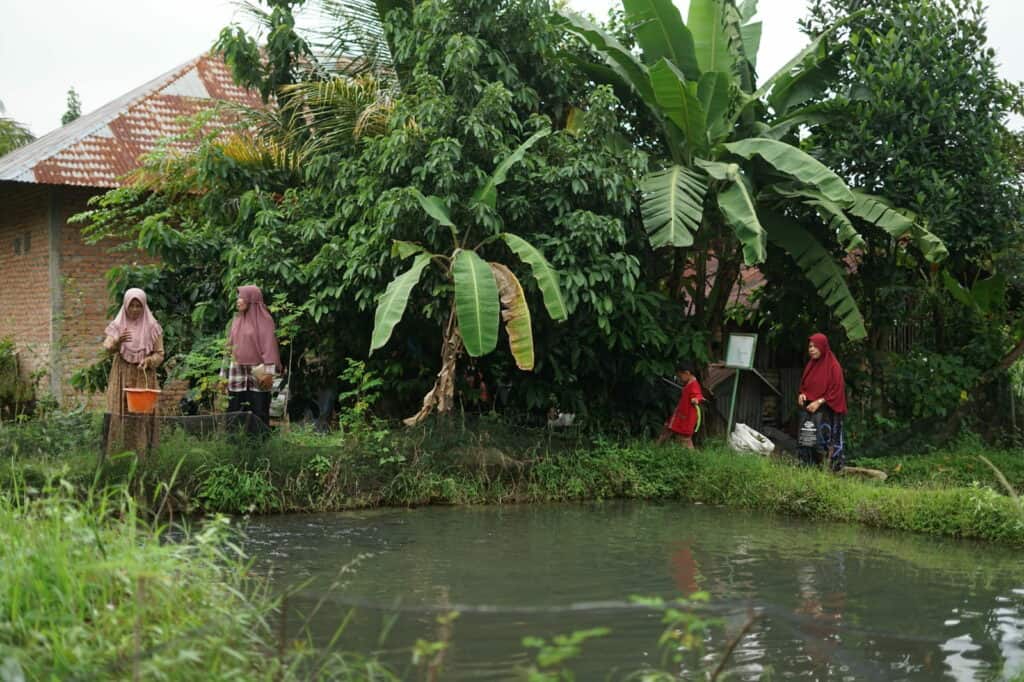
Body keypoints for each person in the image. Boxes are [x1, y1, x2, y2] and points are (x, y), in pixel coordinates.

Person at [102, 288, 164, 455]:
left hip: (143, 375)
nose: (135, 309)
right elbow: (107, 347)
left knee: (141, 415)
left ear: (144, 306)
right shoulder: (119, 324)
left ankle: (143, 454)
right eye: (132, 305)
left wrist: (149, 360)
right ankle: (118, 454)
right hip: (121, 375)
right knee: (119, 411)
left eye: (139, 306)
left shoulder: (152, 326)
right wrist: (117, 341)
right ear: (125, 306)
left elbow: (160, 354)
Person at [222, 285, 281, 435]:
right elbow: (228, 348)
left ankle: (259, 448)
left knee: (259, 410)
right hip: (237, 373)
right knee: (234, 410)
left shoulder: (265, 320)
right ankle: (235, 446)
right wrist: (223, 376)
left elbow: (270, 348)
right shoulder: (237, 320)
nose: (238, 301)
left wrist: (269, 373)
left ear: (251, 299)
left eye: (241, 297)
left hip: (258, 374)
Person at [796, 333, 847, 471]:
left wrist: (819, 402)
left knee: (825, 443)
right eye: (810, 346)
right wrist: (802, 394)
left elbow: (837, 390)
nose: (811, 349)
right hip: (811, 412)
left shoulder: (833, 366)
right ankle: (808, 468)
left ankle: (831, 470)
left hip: (827, 412)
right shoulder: (811, 365)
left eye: (815, 346)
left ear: (823, 347)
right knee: (808, 440)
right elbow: (805, 385)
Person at [657, 364, 704, 449]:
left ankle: (694, 458)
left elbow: (698, 395)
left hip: (686, 418)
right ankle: (656, 449)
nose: (679, 379)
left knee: (684, 438)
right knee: (667, 429)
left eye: (680, 376)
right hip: (681, 415)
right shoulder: (689, 383)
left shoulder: (693, 385)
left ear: (687, 373)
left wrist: (696, 399)